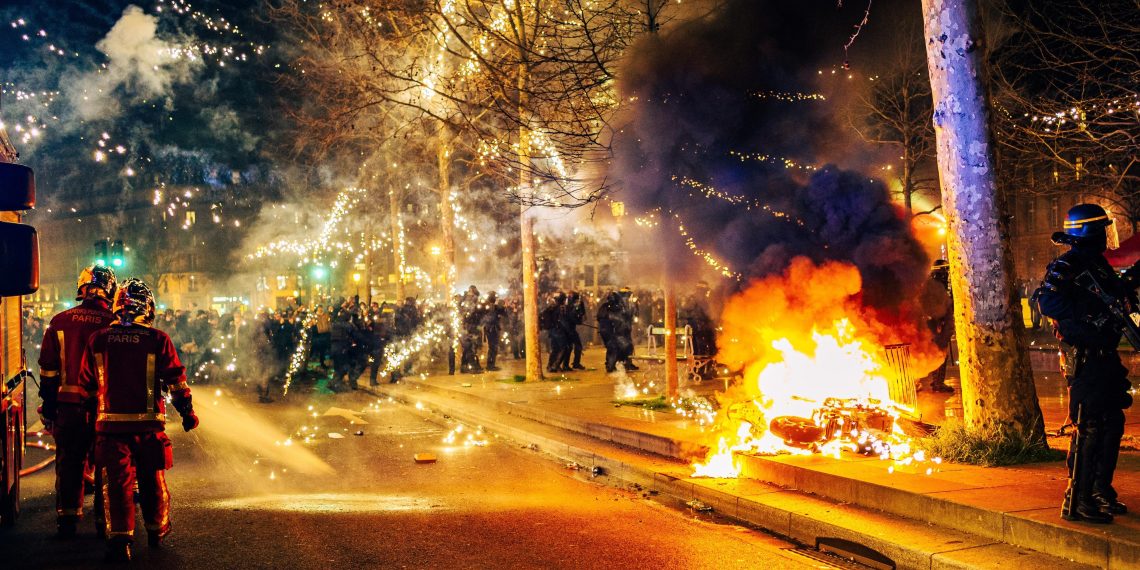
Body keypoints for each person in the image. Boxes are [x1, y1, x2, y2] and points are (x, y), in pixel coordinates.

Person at [78, 279, 198, 562]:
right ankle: (156, 530)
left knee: (117, 484)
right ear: (148, 307)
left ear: (118, 306)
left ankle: (121, 541)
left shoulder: (99, 339)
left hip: (110, 427)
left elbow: (86, 384)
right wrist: (187, 412)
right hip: (148, 427)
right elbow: (176, 382)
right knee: (152, 479)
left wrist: (88, 417)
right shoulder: (158, 339)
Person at [1035, 203, 1134, 524]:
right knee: (1089, 427)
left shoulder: (1098, 265)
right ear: (1090, 232)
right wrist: (1089, 316)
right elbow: (1048, 301)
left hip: (1105, 358)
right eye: (1103, 229)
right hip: (1085, 359)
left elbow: (1115, 294)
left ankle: (1100, 490)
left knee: (1111, 424)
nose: (1107, 236)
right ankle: (1078, 499)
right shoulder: (1067, 264)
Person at [37, 265, 118, 538]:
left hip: (67, 407)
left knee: (69, 463)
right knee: (107, 465)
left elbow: (48, 370)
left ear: (81, 289)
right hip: (105, 410)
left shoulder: (59, 322)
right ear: (109, 290)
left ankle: (68, 520)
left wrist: (49, 406)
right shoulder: (113, 323)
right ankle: (105, 521)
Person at [541, 292, 568, 373]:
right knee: (564, 348)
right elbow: (562, 321)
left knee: (555, 349)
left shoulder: (551, 307)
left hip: (552, 331)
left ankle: (549, 365)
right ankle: (555, 366)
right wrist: (568, 330)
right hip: (558, 331)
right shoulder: (561, 308)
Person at [559, 291, 586, 371]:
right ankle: (574, 363)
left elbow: (580, 316)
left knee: (569, 347)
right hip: (569, 330)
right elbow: (574, 318)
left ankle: (566, 365)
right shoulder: (571, 306)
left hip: (569, 329)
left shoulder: (568, 305)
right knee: (576, 346)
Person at [482, 291, 507, 371]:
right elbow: (501, 314)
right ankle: (490, 365)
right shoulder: (491, 307)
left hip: (491, 329)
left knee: (493, 348)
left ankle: (491, 365)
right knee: (493, 347)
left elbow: (503, 314)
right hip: (492, 329)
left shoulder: (489, 306)